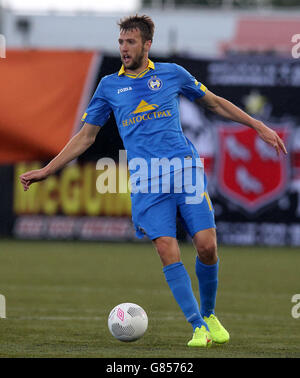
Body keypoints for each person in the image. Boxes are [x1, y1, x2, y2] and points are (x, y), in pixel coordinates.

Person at [20, 14, 287, 348]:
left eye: (130, 42)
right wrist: (48, 170)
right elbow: (85, 137)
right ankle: (197, 326)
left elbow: (215, 103)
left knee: (207, 245)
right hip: (147, 182)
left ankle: (210, 314)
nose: (123, 48)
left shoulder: (172, 74)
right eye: (120, 42)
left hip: (185, 171)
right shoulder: (109, 86)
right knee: (166, 247)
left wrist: (257, 125)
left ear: (147, 44)